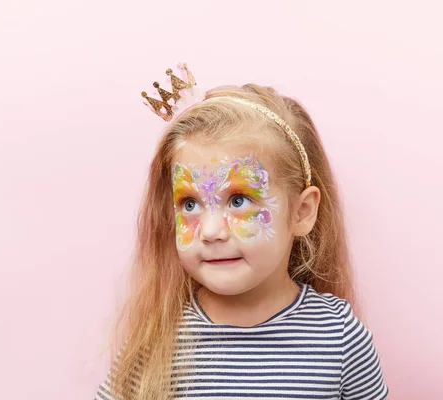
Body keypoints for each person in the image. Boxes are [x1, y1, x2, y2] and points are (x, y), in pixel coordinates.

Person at [94, 63, 388, 400]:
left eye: (237, 200)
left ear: (302, 212)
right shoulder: (159, 338)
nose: (211, 231)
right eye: (190, 204)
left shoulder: (338, 336)